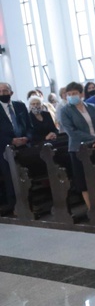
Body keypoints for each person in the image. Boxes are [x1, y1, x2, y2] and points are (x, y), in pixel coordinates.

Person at [60, 81, 95, 209]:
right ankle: (92, 209)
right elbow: (72, 132)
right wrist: (94, 139)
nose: (71, 96)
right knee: (83, 181)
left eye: (74, 93)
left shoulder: (92, 107)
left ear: (81, 94)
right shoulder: (65, 111)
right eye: (69, 94)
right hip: (78, 149)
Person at [0, 82, 32, 211]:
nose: (3, 93)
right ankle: (15, 205)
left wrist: (27, 138)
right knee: (11, 176)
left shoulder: (20, 106)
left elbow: (29, 126)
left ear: (11, 92)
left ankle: (29, 201)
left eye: (5, 91)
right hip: (4, 148)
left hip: (24, 146)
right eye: (0, 91)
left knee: (26, 174)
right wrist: (11, 141)